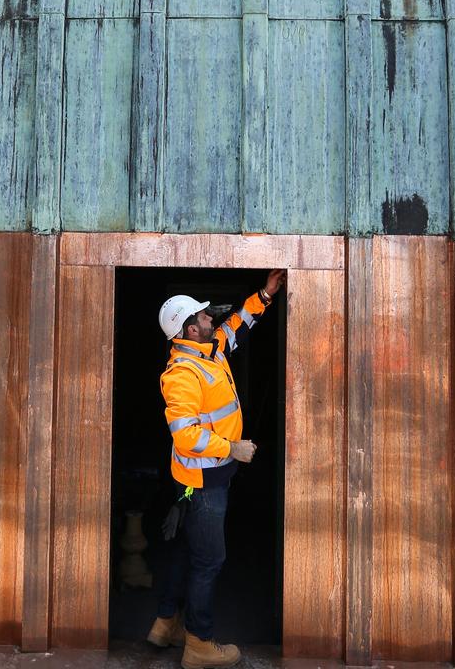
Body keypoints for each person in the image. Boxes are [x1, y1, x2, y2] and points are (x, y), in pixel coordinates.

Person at [147, 269, 285, 669]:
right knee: (209, 561)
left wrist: (265, 294)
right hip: (203, 481)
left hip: (200, 478)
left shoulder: (210, 351)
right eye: (205, 317)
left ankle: (164, 623)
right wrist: (233, 449)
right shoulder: (183, 375)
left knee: (186, 552)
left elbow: (236, 325)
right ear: (191, 330)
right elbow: (186, 436)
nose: (213, 319)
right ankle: (199, 644)